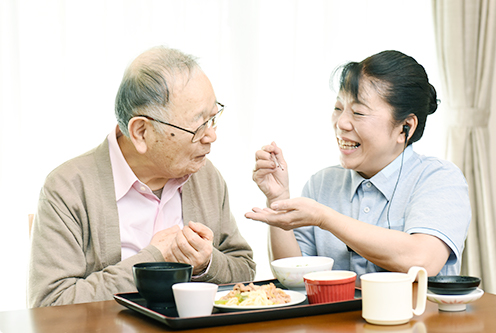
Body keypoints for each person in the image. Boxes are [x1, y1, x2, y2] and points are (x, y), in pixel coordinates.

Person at [28, 46, 256, 307]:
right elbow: (50, 304)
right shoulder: (67, 188)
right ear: (140, 132)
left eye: (212, 118)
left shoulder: (205, 176)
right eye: (198, 125)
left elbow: (244, 270)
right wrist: (155, 259)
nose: (211, 136)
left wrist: (207, 263)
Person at [245, 50, 470, 278]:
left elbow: (422, 260)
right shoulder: (322, 183)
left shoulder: (438, 178)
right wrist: (279, 199)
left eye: (359, 112)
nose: (341, 123)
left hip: (419, 314)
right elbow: (294, 277)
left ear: (406, 127)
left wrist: (325, 218)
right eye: (338, 108)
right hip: (336, 316)